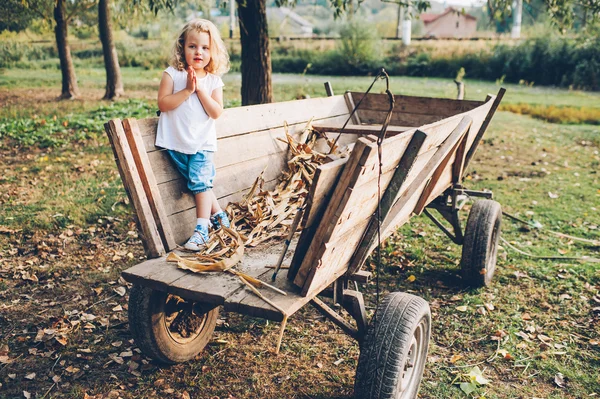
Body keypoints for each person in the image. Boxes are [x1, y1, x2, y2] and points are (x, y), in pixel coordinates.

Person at [156, 19, 231, 251]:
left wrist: (199, 90)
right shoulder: (172, 75)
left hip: (201, 144)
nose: (199, 51)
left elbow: (216, 111)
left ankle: (202, 230)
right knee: (199, 183)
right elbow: (163, 103)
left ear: (212, 52)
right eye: (192, 46)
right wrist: (187, 89)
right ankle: (219, 215)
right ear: (182, 47)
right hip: (175, 142)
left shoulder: (212, 81)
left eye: (205, 48)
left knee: (199, 183)